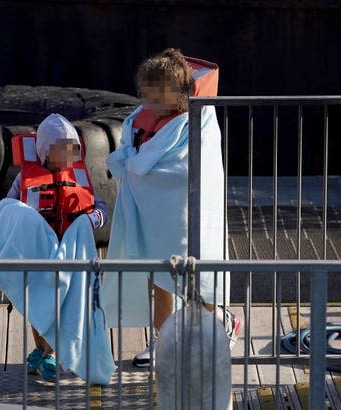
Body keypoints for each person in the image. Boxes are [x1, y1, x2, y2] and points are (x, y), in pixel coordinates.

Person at [102, 48, 241, 368]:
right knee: (157, 275)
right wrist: (135, 168)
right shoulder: (138, 118)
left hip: (183, 213)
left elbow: (188, 170)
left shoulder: (199, 120)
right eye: (145, 95)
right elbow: (129, 153)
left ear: (180, 95)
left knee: (196, 276)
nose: (147, 103)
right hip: (148, 212)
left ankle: (219, 322)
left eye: (156, 97)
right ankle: (164, 340)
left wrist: (136, 169)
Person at [0, 113, 116, 384]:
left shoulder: (81, 177)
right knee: (37, 305)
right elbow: (10, 208)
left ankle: (51, 353)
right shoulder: (24, 179)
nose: (69, 153)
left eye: (72, 146)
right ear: (45, 151)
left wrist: (90, 220)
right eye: (62, 147)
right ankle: (40, 348)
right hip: (37, 255)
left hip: (70, 254)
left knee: (61, 307)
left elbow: (101, 209)